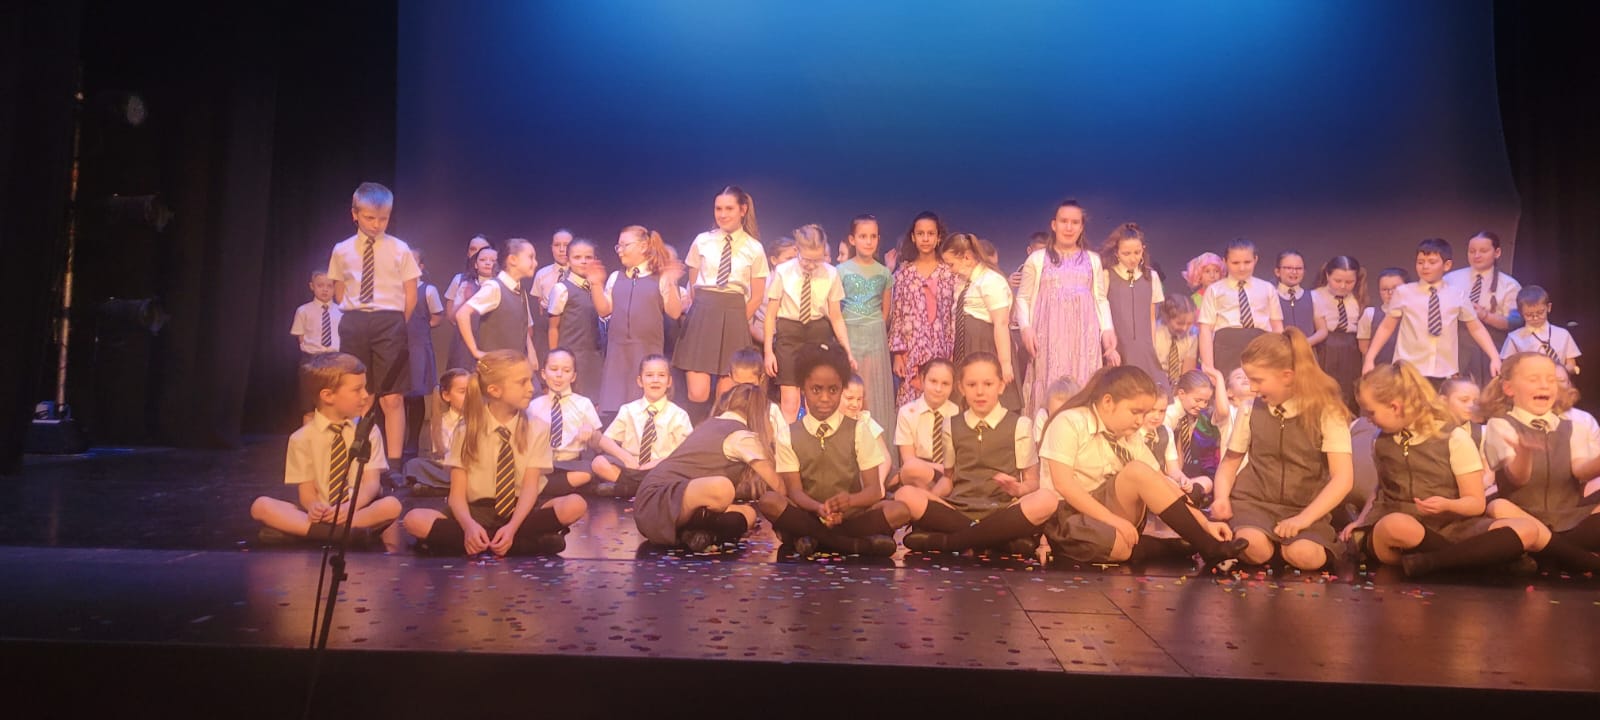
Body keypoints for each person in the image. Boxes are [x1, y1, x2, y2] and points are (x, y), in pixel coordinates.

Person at [1343, 361, 1546, 577]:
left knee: (1526, 530)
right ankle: (1478, 561)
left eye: (1371, 413)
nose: (1368, 420)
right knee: (1396, 525)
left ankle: (1434, 563)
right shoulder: (1380, 441)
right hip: (1404, 528)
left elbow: (1476, 503)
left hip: (1451, 527)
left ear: (1395, 407)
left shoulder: (1454, 438)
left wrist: (1447, 504)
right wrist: (1361, 520)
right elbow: (1380, 489)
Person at [1036, 365, 1248, 567]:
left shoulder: (1129, 435)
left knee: (1138, 471)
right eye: (1135, 412)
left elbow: (1162, 482)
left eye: (1143, 414)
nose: (1140, 421)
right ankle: (1168, 547)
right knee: (1119, 547)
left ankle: (1205, 545)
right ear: (1108, 402)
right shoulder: (1070, 422)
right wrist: (1114, 521)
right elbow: (1064, 485)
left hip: (1107, 510)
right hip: (1069, 515)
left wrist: (1205, 524)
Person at [401, 350, 584, 557]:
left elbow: (530, 488)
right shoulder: (466, 430)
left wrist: (512, 527)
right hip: (476, 512)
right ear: (495, 390)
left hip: (519, 512)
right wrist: (469, 526)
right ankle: (519, 543)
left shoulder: (537, 428)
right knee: (414, 520)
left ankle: (495, 540)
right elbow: (456, 496)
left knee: (575, 505)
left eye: (530, 380)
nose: (531, 388)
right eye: (522, 382)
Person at [1212, 329, 1353, 572]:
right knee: (1254, 548)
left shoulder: (1327, 411)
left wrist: (1303, 519)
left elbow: (1343, 478)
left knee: (1304, 555)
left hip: (1306, 508)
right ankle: (1272, 547)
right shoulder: (1250, 409)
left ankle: (1289, 549)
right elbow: (1229, 463)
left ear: (1287, 376)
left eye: (1258, 380)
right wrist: (1221, 498)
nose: (1252, 388)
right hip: (1254, 503)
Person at [759, 347, 906, 557]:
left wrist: (850, 501)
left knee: (899, 510)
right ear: (803, 389)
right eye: (816, 390)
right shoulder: (788, 434)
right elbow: (795, 491)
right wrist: (819, 508)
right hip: (810, 513)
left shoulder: (858, 429)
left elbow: (874, 490)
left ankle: (813, 539)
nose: (825, 398)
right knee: (769, 501)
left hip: (851, 516)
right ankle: (849, 544)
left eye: (833, 390)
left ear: (841, 389)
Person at [898, 352, 1045, 556]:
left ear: (1001, 386)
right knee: (905, 494)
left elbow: (1033, 482)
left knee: (1046, 499)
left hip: (1001, 511)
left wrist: (1019, 489)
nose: (980, 392)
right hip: (960, 510)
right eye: (972, 385)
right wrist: (929, 500)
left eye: (988, 384)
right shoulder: (951, 425)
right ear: (961, 388)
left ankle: (954, 542)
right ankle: (996, 541)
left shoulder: (1019, 425)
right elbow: (948, 479)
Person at [251, 353, 402, 550]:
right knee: (261, 506)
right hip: (323, 513)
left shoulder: (368, 431)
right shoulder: (301, 438)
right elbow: (306, 493)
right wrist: (314, 506)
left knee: (391, 505)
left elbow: (371, 484)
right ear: (328, 396)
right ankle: (345, 534)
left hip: (355, 509)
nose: (365, 395)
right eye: (357, 390)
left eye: (365, 387)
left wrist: (348, 508)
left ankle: (310, 533)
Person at [326, 182, 420, 484]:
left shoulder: (399, 248)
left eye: (383, 219)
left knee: (392, 397)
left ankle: (394, 464)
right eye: (369, 218)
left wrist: (396, 323)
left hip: (389, 322)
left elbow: (410, 294)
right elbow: (339, 290)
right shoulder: (342, 250)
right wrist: (356, 312)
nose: (376, 224)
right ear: (354, 214)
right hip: (355, 322)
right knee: (359, 394)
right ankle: (359, 459)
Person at [632, 383, 781, 552]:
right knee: (722, 488)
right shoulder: (741, 436)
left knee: (749, 514)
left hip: (657, 508)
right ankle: (698, 530)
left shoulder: (710, 424)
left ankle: (700, 535)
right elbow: (777, 485)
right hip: (658, 501)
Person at [674, 186, 769, 410]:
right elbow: (694, 284)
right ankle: (697, 429)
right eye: (718, 209)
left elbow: (757, 296)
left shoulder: (754, 248)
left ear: (742, 210)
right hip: (703, 312)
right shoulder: (702, 241)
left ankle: (719, 430)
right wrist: (700, 310)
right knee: (697, 393)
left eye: (729, 208)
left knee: (726, 395)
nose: (723, 214)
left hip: (734, 314)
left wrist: (738, 320)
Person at [1362, 238, 1502, 387]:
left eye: (1432, 262)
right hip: (1410, 369)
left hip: (1445, 369)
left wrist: (1494, 357)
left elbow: (1476, 328)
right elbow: (1386, 327)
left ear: (1447, 265)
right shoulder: (1404, 292)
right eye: (1420, 262)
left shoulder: (1457, 294)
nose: (1425, 266)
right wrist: (1370, 358)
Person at [1017, 200, 1113, 414]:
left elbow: (1100, 299)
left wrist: (1107, 329)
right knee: (1050, 385)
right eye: (1064, 221)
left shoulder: (1093, 260)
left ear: (1081, 227)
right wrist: (1026, 328)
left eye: (1075, 222)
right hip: (1048, 336)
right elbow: (1023, 298)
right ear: (1054, 225)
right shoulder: (1037, 259)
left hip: (1083, 339)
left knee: (1083, 383)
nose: (1069, 227)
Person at [764, 224, 855, 422]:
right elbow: (770, 315)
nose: (812, 265)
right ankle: (788, 439)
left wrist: (847, 351)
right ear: (797, 250)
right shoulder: (783, 271)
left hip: (817, 333)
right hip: (789, 333)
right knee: (790, 400)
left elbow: (836, 317)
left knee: (816, 396)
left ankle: (814, 438)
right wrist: (768, 352)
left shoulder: (831, 273)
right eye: (807, 259)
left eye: (817, 259)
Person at [595, 225, 684, 414]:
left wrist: (671, 281)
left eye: (624, 245)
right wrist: (595, 284)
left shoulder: (659, 278)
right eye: (618, 246)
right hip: (618, 354)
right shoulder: (616, 277)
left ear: (643, 247)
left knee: (644, 409)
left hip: (646, 352)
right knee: (615, 409)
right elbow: (604, 310)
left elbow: (675, 312)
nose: (620, 250)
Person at [592, 355, 692, 499]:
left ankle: (628, 489)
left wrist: (655, 463)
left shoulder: (678, 415)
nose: (655, 380)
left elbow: (684, 452)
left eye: (661, 375)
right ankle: (646, 490)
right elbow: (605, 440)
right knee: (598, 463)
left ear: (669, 381)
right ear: (640, 381)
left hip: (660, 469)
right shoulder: (628, 410)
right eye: (649, 375)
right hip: (632, 469)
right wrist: (627, 458)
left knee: (679, 471)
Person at [942, 232, 1021, 410]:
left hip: (986, 347)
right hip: (967, 348)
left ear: (967, 257)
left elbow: (1001, 323)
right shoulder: (963, 282)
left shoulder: (991, 281)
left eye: (951, 264)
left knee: (990, 397)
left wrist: (1005, 363)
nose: (950, 270)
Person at [888, 211, 956, 407]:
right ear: (913, 237)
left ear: (938, 237)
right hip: (911, 351)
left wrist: (952, 352)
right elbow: (898, 315)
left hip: (940, 349)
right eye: (920, 234)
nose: (925, 239)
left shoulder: (949, 273)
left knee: (939, 402)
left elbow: (952, 316)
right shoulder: (904, 274)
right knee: (911, 406)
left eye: (930, 233)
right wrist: (898, 355)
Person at [837, 214, 895, 427]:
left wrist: (875, 327)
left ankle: (874, 436)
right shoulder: (841, 271)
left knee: (872, 388)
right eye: (863, 236)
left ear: (878, 238)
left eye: (873, 236)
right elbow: (835, 310)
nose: (868, 241)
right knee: (850, 383)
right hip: (850, 332)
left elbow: (886, 312)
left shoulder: (884, 273)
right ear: (852, 239)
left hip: (875, 335)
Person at [1444, 231, 1521, 385]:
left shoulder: (1509, 285)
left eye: (1483, 251)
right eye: (1472, 251)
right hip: (1456, 345)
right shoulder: (1451, 279)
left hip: (1492, 346)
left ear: (1497, 252)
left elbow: (1514, 322)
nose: (1477, 255)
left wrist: (1485, 315)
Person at [1199, 238, 1282, 379]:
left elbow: (1277, 327)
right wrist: (1209, 367)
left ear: (1255, 259)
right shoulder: (1215, 290)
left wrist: (1279, 359)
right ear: (1225, 261)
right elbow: (1205, 329)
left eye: (1247, 262)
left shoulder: (1267, 288)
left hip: (1261, 347)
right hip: (1226, 348)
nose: (1242, 268)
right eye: (1235, 263)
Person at [456, 238, 537, 362]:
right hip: (496, 366)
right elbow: (462, 314)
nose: (535, 263)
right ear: (513, 260)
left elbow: (522, 327)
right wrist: (475, 351)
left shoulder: (519, 291)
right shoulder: (494, 287)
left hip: (513, 363)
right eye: (530, 257)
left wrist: (531, 352)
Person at [1101, 222, 1164, 382]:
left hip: (1144, 348)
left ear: (1143, 249)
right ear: (1116, 253)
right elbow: (1101, 313)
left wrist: (1151, 347)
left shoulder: (1151, 277)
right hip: (1117, 347)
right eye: (1126, 253)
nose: (1133, 258)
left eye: (1137, 252)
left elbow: (1151, 317)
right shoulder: (1107, 276)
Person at [546, 239, 608, 398]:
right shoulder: (562, 289)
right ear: (568, 260)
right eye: (577, 257)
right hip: (571, 357)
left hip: (594, 358)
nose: (583, 261)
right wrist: (555, 359)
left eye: (588, 257)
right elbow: (553, 327)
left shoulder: (597, 288)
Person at [893, 359, 959, 492]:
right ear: (922, 380)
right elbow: (908, 460)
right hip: (920, 472)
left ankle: (932, 498)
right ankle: (936, 497)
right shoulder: (907, 412)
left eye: (945, 384)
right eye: (933, 381)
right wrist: (939, 468)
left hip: (951, 473)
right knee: (911, 469)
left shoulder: (957, 413)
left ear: (953, 386)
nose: (938, 389)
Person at [403, 368, 470, 495]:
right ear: (446, 395)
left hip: (471, 469)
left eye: (471, 391)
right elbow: (441, 456)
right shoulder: (440, 422)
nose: (468, 396)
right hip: (448, 469)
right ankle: (448, 486)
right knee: (413, 465)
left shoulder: (480, 420)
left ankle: (437, 488)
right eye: (462, 392)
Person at [1311, 255, 1366, 409]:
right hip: (1326, 346)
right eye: (1337, 280)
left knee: (1350, 390)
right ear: (1327, 275)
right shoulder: (1315, 296)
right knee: (1327, 390)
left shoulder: (1357, 298)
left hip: (1352, 348)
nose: (1343, 286)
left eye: (1349, 282)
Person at [1500, 285, 1580, 374]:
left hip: (1558, 380)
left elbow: (1571, 363)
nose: (1535, 318)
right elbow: (1506, 366)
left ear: (1549, 307)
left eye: (1540, 312)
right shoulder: (1514, 338)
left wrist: (1559, 372)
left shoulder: (1563, 334)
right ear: (1521, 313)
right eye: (1529, 315)